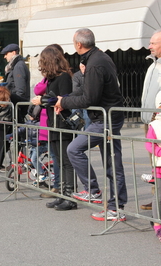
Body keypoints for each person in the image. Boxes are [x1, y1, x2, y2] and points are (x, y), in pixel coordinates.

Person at [55, 28, 127, 220]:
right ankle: (115, 208)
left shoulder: (95, 63)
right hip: (107, 116)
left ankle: (94, 191)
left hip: (105, 119)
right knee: (113, 164)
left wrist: (64, 102)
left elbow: (89, 98)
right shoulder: (98, 58)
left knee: (74, 149)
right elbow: (91, 91)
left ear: (78, 44)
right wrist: (65, 99)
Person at [31, 45, 76, 211]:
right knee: (58, 159)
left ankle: (70, 196)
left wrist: (41, 101)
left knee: (66, 161)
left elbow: (64, 99)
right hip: (53, 123)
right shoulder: (52, 79)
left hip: (62, 123)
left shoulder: (63, 77)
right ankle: (62, 194)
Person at [0, 85, 28, 184]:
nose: (5, 103)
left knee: (15, 150)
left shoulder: (13, 97)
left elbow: (26, 104)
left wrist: (20, 116)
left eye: (7, 100)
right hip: (0, 128)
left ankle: (15, 174)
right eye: (3, 101)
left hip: (15, 126)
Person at [140, 29, 161, 211]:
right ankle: (157, 199)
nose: (149, 46)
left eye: (153, 43)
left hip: (159, 124)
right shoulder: (152, 65)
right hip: (149, 123)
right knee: (154, 166)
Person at [145, 91, 161, 243]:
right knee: (159, 196)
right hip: (159, 168)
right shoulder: (155, 125)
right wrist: (159, 151)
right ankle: (157, 224)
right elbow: (149, 143)